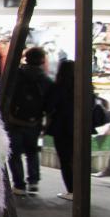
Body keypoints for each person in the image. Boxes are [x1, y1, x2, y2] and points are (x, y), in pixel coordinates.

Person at [2, 46, 53, 196]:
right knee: (32, 152)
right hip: (34, 122)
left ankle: (19, 185)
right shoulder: (46, 80)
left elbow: (6, 95)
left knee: (14, 153)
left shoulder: (16, 75)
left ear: (26, 58)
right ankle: (33, 181)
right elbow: (49, 105)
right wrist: (45, 122)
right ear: (42, 60)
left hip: (14, 120)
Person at [47, 59, 77, 200]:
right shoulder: (84, 86)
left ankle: (71, 190)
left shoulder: (58, 87)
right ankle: (80, 189)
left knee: (65, 159)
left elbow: (50, 106)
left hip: (61, 127)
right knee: (78, 158)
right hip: (80, 126)